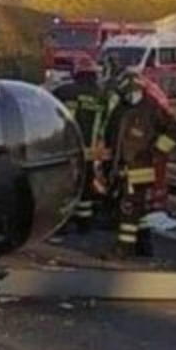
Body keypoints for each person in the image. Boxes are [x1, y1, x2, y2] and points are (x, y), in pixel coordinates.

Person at [106, 70, 176, 258]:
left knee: (129, 207)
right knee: (136, 207)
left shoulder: (151, 108)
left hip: (141, 167)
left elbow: (175, 131)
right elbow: (111, 137)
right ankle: (143, 245)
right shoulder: (120, 109)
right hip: (122, 167)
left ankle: (124, 248)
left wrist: (157, 151)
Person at [51, 59, 107, 233]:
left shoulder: (63, 91)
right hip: (91, 151)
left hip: (66, 149)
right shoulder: (102, 96)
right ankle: (85, 223)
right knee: (86, 185)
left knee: (65, 186)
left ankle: (63, 224)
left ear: (77, 73)